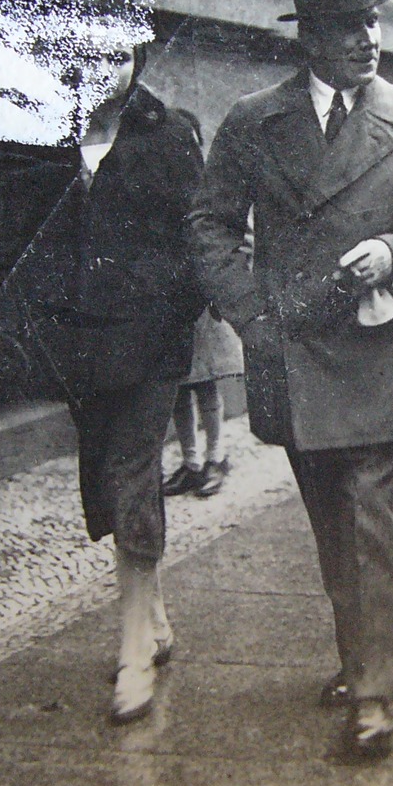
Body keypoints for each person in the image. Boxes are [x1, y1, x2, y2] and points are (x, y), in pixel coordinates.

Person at [190, 0, 393, 759]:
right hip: (294, 347)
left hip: (375, 345)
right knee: (330, 522)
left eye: (373, 22)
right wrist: (251, 315)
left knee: (368, 516)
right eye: (348, 27)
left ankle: (376, 692)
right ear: (307, 36)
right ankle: (359, 656)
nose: (367, 39)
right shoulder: (252, 119)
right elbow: (210, 225)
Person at [29, 43, 205, 724]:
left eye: (110, 53)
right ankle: (155, 621)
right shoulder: (53, 133)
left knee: (131, 480)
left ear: (136, 55)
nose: (93, 68)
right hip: (83, 349)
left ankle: (133, 654)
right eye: (82, 50)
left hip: (149, 346)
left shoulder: (168, 134)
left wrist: (167, 313)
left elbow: (198, 237)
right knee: (107, 485)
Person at [162, 109, 245, 499]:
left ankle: (217, 456)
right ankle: (191, 462)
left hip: (204, 299)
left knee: (207, 384)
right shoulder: (160, 184)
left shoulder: (209, 185)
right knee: (180, 385)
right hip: (173, 301)